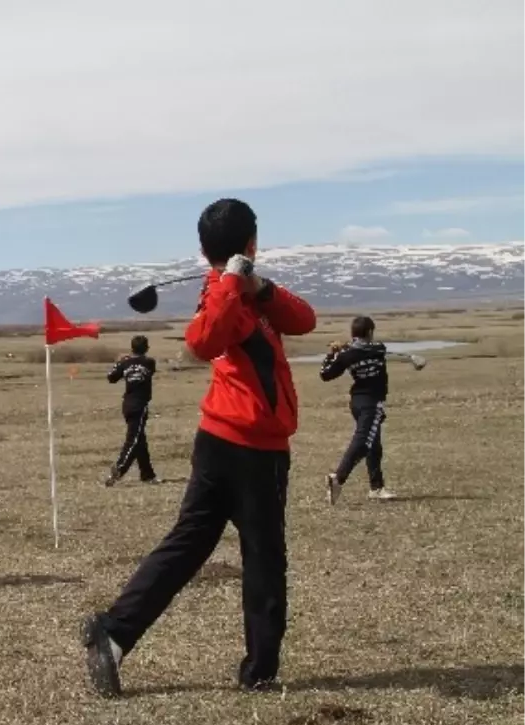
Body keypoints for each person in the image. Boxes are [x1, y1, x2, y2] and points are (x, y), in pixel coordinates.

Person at [82, 198, 317, 697]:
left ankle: (114, 634)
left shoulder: (247, 294)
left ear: (201, 247)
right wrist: (231, 282)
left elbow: (305, 320)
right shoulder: (221, 295)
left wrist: (260, 286)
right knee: (264, 559)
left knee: (189, 546)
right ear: (253, 242)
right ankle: (261, 673)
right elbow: (204, 340)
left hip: (231, 442)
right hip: (248, 447)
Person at [321, 316, 426, 504]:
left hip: (357, 402)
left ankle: (376, 488)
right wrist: (345, 349)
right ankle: (338, 478)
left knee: (374, 444)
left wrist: (333, 353)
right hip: (372, 403)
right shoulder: (377, 348)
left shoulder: (348, 355)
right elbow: (372, 348)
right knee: (363, 442)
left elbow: (325, 374)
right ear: (370, 332)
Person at [104, 335, 162, 486]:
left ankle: (147, 475)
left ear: (131, 348)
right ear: (146, 348)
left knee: (140, 441)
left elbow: (111, 377)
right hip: (140, 406)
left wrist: (120, 362)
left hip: (127, 405)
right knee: (134, 440)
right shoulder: (149, 362)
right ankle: (119, 469)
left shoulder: (125, 362)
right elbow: (149, 370)